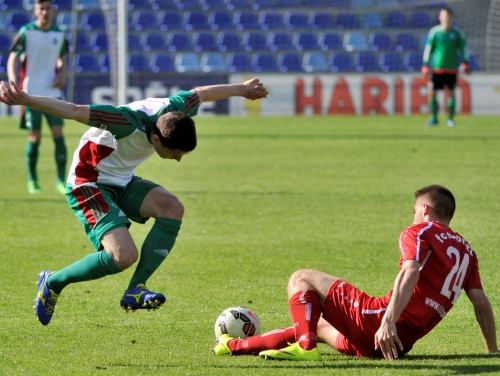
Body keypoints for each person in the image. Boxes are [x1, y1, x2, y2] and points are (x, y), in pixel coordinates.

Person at [0, 78, 268, 326]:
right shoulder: (125, 122)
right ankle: (54, 281)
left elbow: (199, 94)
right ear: (155, 138)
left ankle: (135, 290)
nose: (178, 160)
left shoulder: (174, 110)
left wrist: (242, 89)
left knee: (172, 207)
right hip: (88, 183)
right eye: (174, 154)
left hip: (121, 180)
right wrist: (26, 100)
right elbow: (73, 110)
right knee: (123, 256)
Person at [213, 185, 498, 360]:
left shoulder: (420, 231)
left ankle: (304, 348)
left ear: (424, 208)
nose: (412, 216)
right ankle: (233, 346)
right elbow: (481, 303)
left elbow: (410, 272)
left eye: (414, 210)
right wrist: (492, 351)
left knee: (301, 278)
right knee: (317, 326)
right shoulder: (466, 251)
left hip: (379, 327)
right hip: (397, 345)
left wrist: (387, 321)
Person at [7, 0, 69, 194]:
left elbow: (62, 59)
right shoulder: (26, 32)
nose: (44, 11)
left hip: (53, 92)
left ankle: (61, 180)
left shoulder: (59, 34)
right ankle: (33, 180)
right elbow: (13, 58)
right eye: (41, 8)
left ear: (53, 10)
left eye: (48, 8)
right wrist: (13, 80)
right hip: (30, 92)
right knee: (35, 137)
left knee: (58, 133)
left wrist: (62, 75)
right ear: (35, 11)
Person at [421, 7, 469, 127]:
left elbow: (464, 48)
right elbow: (428, 49)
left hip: (452, 68)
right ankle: (434, 118)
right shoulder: (435, 32)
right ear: (440, 17)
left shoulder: (457, 33)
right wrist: (425, 65)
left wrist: (465, 62)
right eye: (444, 15)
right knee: (432, 93)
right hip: (437, 68)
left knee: (451, 93)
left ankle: (451, 119)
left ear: (451, 17)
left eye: (449, 16)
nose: (447, 18)